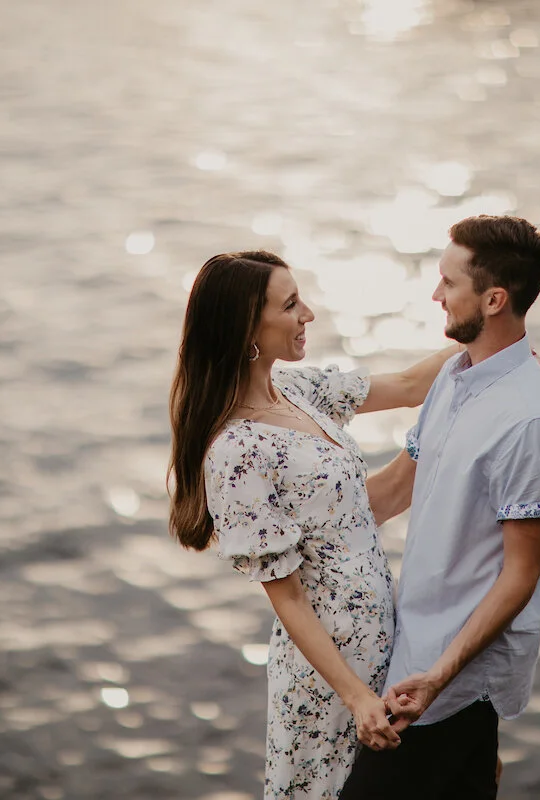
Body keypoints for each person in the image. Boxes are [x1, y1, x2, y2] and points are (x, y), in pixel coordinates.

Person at [167, 250, 459, 800]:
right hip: (329, 675)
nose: (309, 314)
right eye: (290, 305)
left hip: (385, 641)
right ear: (247, 328)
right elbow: (289, 599)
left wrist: (492, 342)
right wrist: (354, 696)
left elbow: (407, 384)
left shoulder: (296, 390)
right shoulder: (236, 451)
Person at [342, 215, 540, 799]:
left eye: (449, 283)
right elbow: (394, 489)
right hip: (412, 652)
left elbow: (521, 575)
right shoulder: (453, 375)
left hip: (449, 685)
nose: (435, 295)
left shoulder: (531, 424)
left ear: (494, 300)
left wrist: (438, 678)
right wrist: (285, 525)